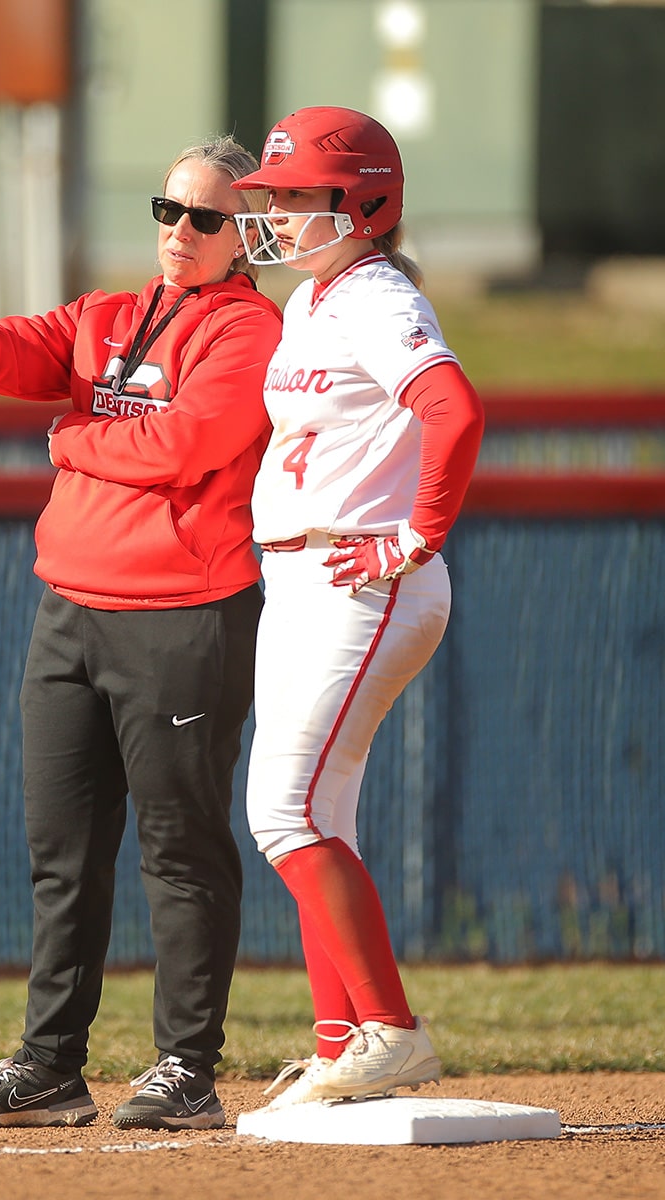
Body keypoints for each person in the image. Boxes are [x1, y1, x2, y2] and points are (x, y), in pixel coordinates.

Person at [0, 136, 281, 1131]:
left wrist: (72, 438)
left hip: (183, 617)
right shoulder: (108, 316)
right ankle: (50, 1064)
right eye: (166, 211)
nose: (179, 232)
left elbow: (190, 445)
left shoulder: (248, 331)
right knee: (63, 852)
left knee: (179, 850)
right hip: (70, 613)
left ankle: (185, 1068)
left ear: (244, 235)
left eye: (204, 218)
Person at [225, 106, 486, 1110]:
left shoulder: (374, 295)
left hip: (359, 580)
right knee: (316, 814)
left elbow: (453, 409)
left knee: (283, 812)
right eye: (274, 197)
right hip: (301, 576)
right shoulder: (316, 299)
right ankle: (344, 1043)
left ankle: (389, 1031)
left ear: (363, 204)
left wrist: (415, 535)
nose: (277, 215)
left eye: (298, 197)